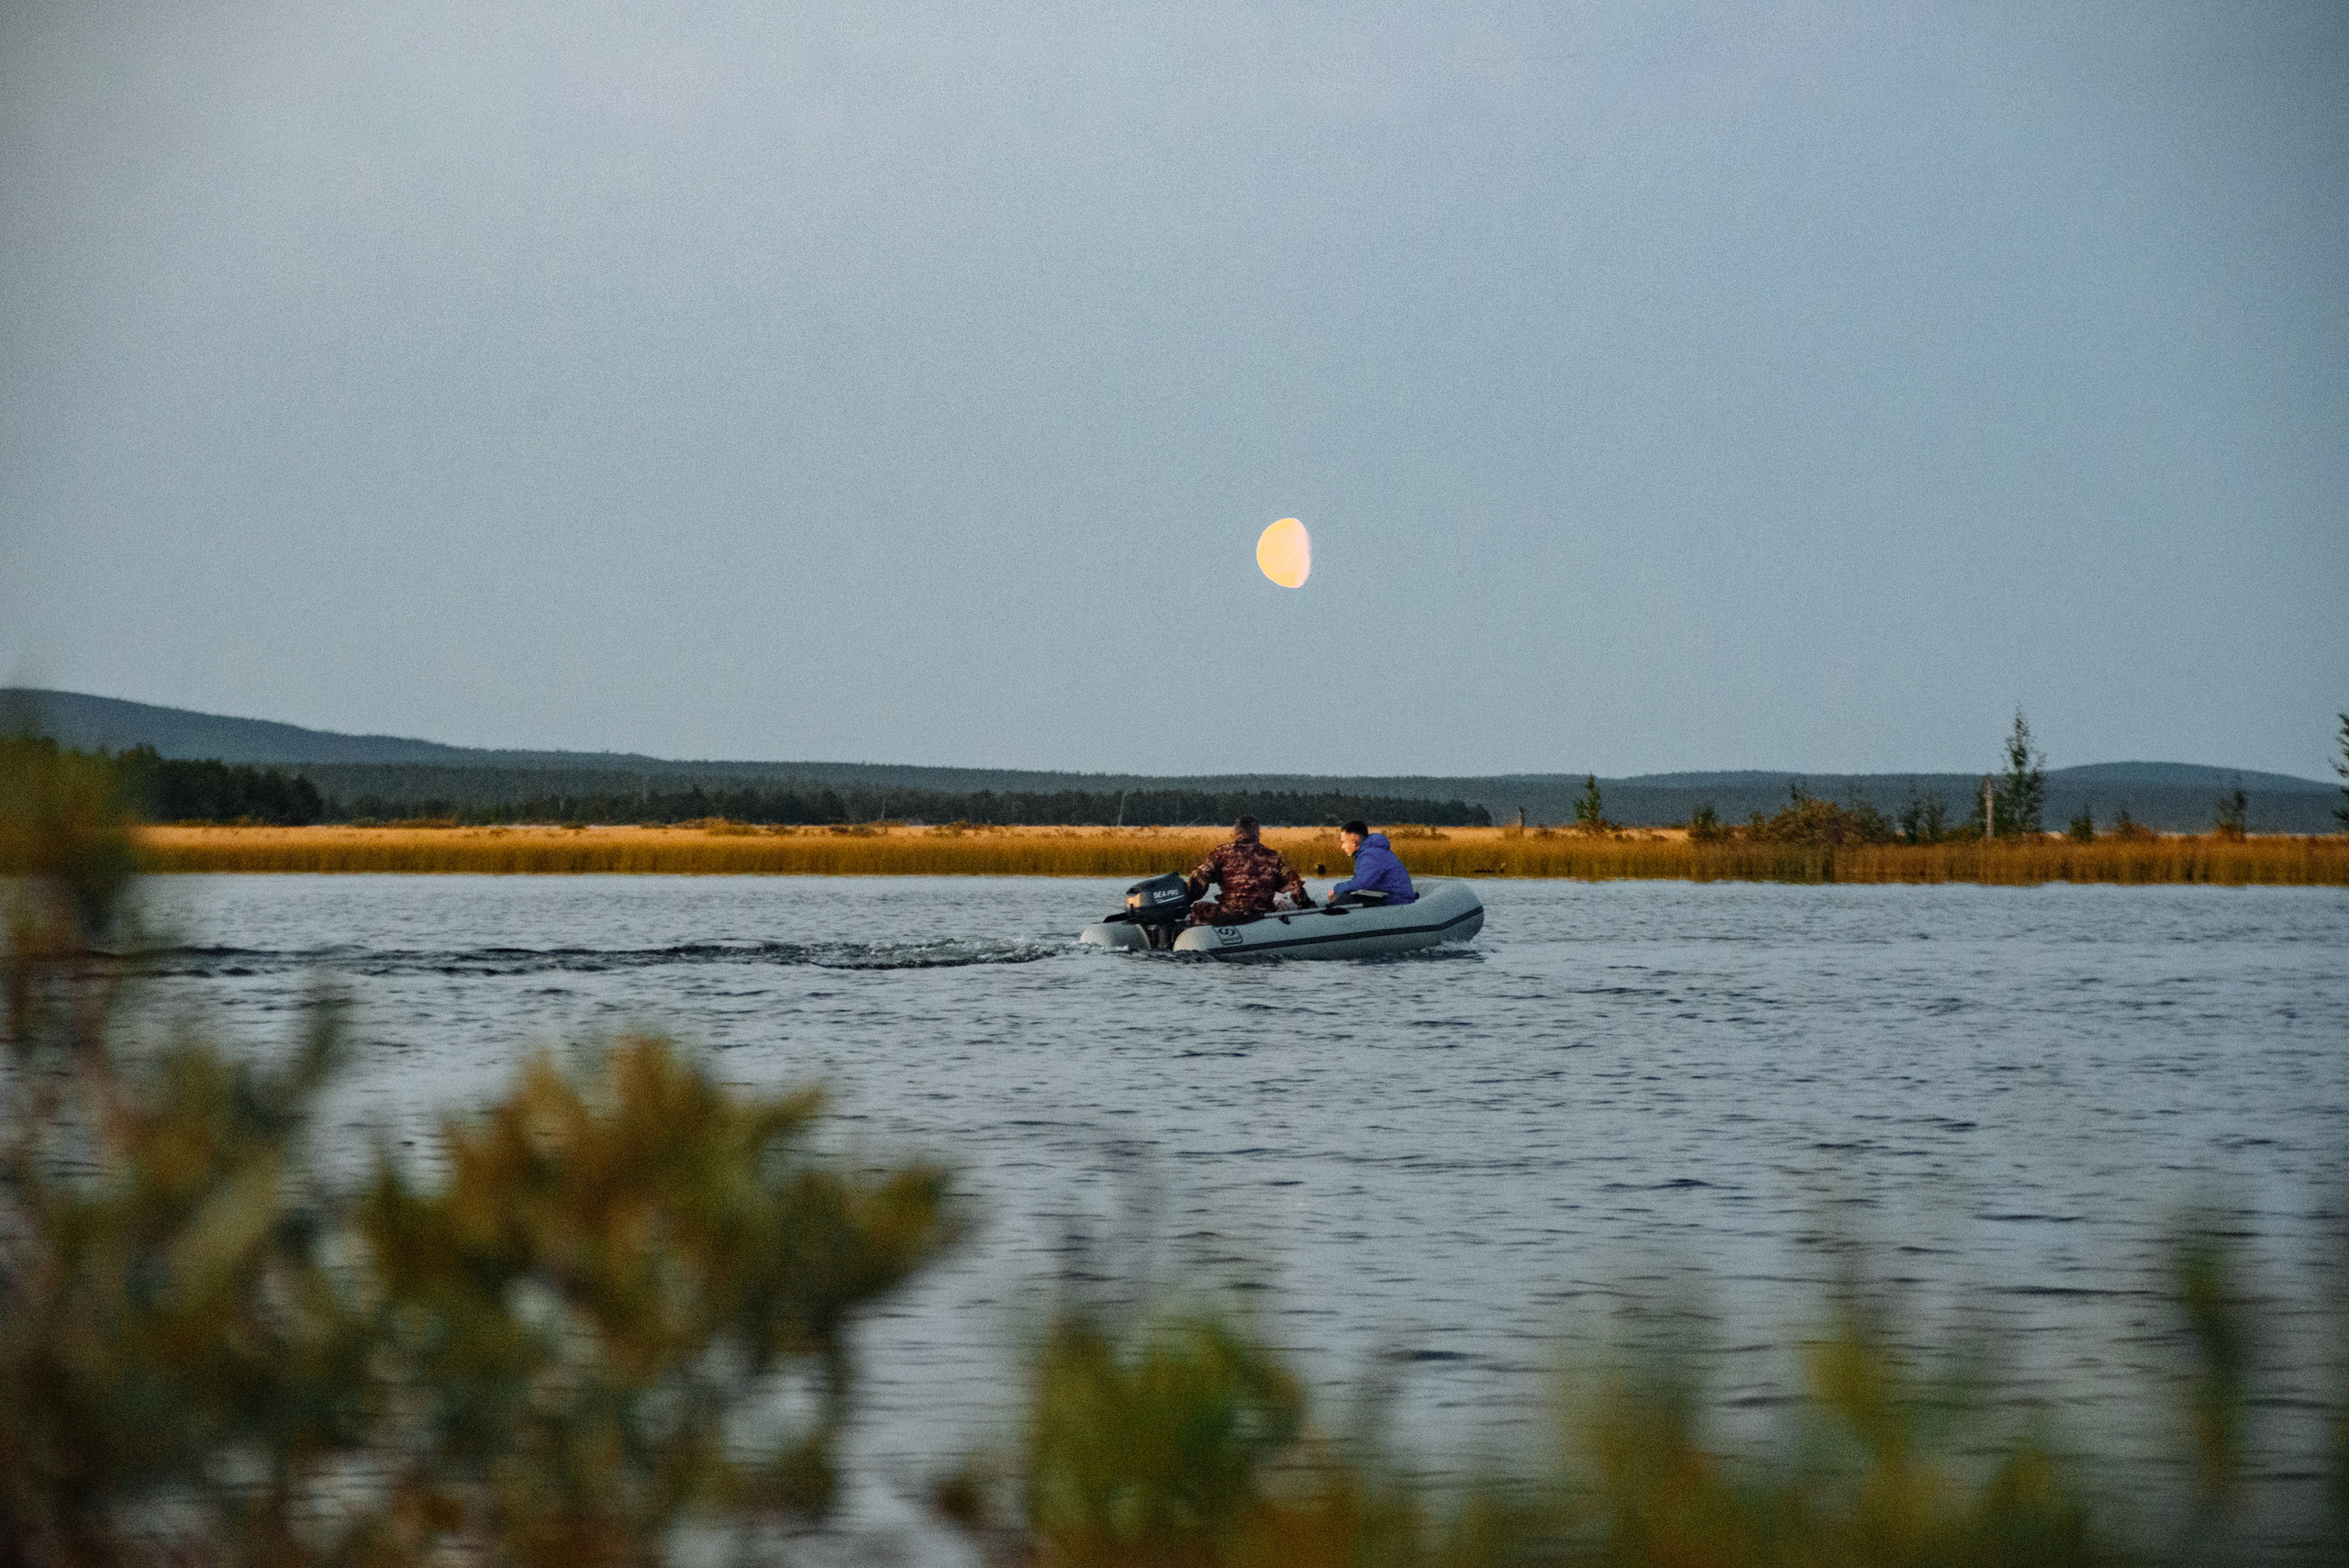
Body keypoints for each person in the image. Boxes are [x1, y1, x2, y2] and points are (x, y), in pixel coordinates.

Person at [1186, 816, 1310, 924]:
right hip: (1262, 914)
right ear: (1257, 833)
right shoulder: (1273, 857)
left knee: (1198, 908)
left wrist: (1188, 897)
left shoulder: (1221, 854)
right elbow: (1295, 885)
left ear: (1236, 833)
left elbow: (1199, 878)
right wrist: (1306, 905)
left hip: (1228, 914)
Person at [1328, 819, 1417, 906]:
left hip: (1397, 899)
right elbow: (1363, 882)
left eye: (1343, 842)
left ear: (1353, 840)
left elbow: (1362, 884)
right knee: (1343, 896)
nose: (1342, 847)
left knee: (1342, 898)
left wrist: (1337, 888)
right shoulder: (1370, 852)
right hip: (1393, 896)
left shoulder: (1372, 854)